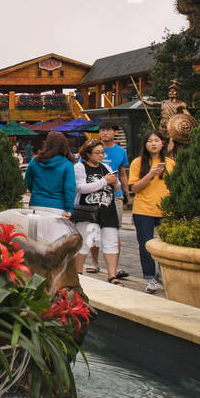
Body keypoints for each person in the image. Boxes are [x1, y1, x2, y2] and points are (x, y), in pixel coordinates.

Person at [129, 130, 175, 293]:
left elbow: (176, 187)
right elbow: (134, 188)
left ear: (162, 143)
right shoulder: (138, 163)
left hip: (166, 210)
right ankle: (150, 278)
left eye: (157, 140)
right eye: (150, 141)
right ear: (145, 144)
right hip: (144, 210)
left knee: (167, 246)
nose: (153, 143)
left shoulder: (170, 163)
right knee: (145, 245)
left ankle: (167, 277)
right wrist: (150, 174)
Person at [72, 138, 121, 282]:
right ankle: (78, 273)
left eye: (102, 153)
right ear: (87, 154)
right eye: (97, 153)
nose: (101, 156)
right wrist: (104, 181)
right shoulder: (80, 167)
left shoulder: (105, 167)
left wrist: (114, 182)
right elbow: (81, 188)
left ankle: (112, 275)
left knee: (110, 241)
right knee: (85, 242)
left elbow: (116, 188)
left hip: (107, 208)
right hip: (88, 210)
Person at [95, 121, 130, 273]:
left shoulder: (120, 152)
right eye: (102, 130)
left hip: (115, 195)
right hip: (95, 194)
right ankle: (95, 263)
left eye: (108, 130)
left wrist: (126, 192)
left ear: (115, 132)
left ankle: (114, 266)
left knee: (114, 231)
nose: (104, 133)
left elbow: (122, 173)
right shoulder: (92, 149)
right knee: (93, 230)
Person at [23, 131, 76, 216]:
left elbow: (28, 181)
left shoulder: (35, 160)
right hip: (58, 206)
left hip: (36, 204)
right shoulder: (67, 164)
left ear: (47, 144)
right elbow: (70, 188)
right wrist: (69, 208)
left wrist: (36, 191)